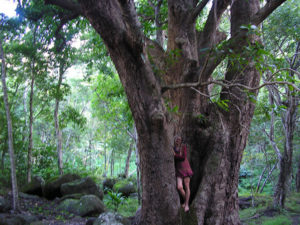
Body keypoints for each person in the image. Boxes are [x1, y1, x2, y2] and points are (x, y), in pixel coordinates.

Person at [173, 136, 193, 212]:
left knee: (187, 186)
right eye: (176, 140)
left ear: (181, 141)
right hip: (178, 170)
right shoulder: (173, 148)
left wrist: (175, 155)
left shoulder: (183, 147)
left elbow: (183, 157)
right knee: (179, 187)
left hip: (186, 168)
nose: (177, 141)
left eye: (179, 140)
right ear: (174, 140)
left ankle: (187, 205)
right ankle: (186, 200)